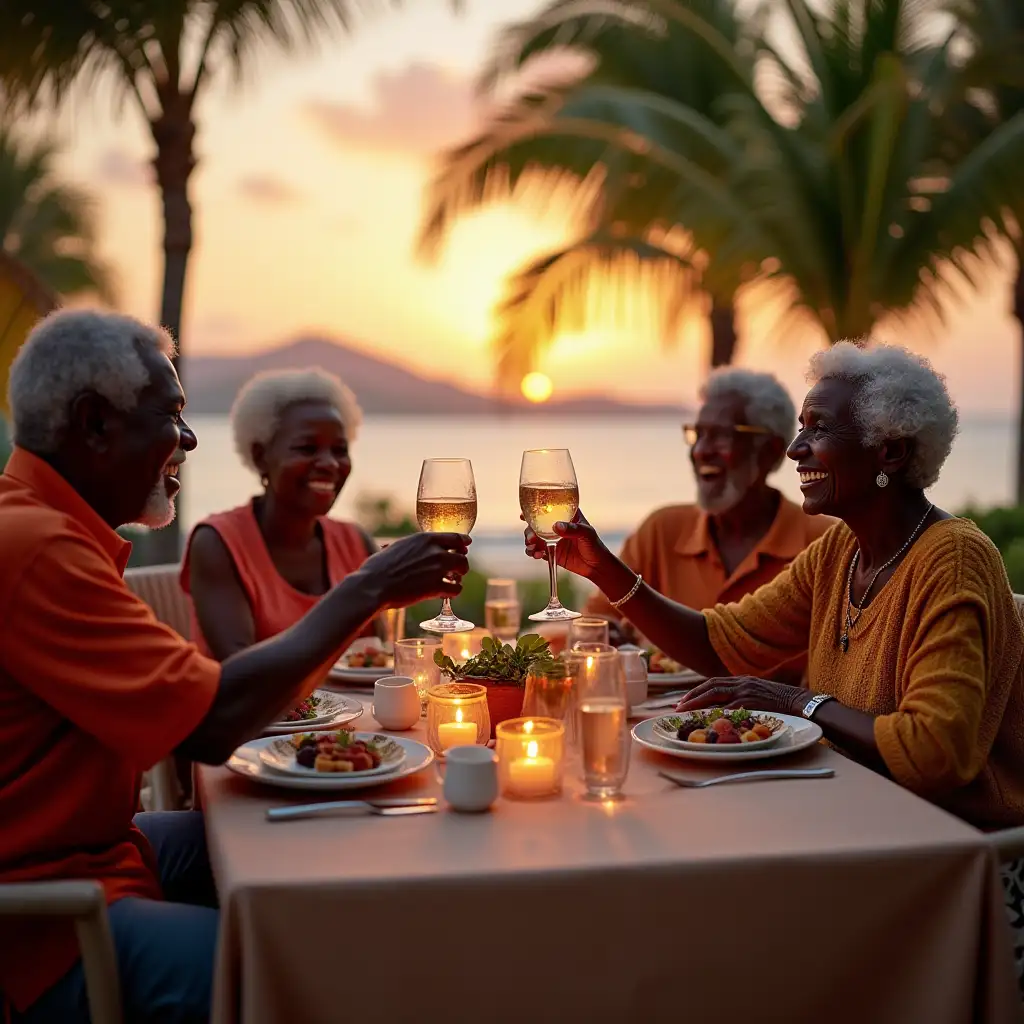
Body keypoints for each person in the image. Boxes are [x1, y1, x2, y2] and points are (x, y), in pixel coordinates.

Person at [0, 310, 469, 1023]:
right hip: (43, 926)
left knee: (313, 827)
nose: (187, 440)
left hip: (97, 850)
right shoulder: (38, 551)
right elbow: (214, 722)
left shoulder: (37, 524)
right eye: (173, 416)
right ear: (95, 425)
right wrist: (364, 588)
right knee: (317, 966)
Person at [527, 342, 1024, 832]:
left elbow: (935, 752)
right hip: (846, 807)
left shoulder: (953, 558)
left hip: (944, 841)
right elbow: (722, 643)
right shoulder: (839, 553)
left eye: (820, 429)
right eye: (802, 426)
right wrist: (600, 569)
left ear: (889, 451)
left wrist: (796, 703)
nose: (794, 448)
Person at [583, 368, 833, 671]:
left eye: (721, 436)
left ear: (769, 452)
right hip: (665, 716)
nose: (700, 451)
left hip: (778, 719)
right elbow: (595, 624)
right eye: (698, 434)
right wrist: (608, 636)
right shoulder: (661, 531)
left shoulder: (821, 544)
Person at [182, 368, 381, 662]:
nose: (328, 463)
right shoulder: (218, 543)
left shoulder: (355, 542)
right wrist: (357, 593)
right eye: (306, 448)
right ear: (261, 456)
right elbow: (243, 675)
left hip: (357, 710)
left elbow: (381, 659)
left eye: (339, 449)